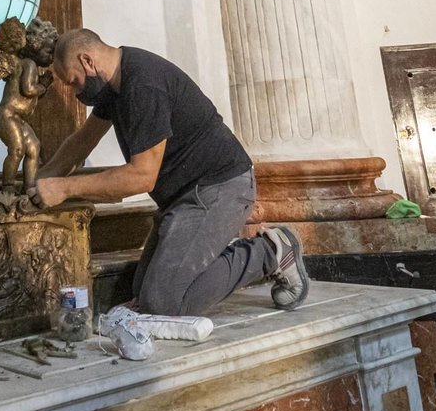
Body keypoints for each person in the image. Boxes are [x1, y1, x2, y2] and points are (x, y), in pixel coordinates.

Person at [32, 29, 310, 318]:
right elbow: (82, 141)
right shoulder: (115, 86)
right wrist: (42, 180)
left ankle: (269, 251)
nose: (76, 93)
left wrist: (64, 189)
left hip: (220, 187)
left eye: (73, 82)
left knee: (164, 302)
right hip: (182, 198)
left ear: (87, 61)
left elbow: (142, 176)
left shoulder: (143, 85)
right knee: (142, 294)